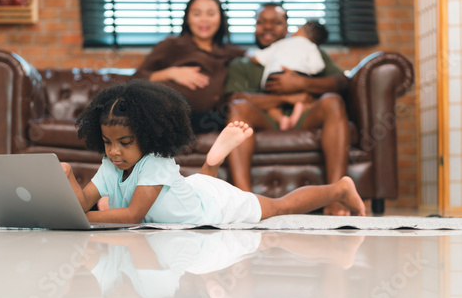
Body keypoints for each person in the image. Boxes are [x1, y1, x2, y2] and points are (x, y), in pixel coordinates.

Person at [61, 79, 366, 225]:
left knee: (279, 207)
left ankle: (340, 188)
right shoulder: (111, 163)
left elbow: (133, 215)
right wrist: (68, 178)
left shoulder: (154, 162)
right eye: (107, 142)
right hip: (187, 192)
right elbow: (82, 203)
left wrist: (82, 219)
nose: (114, 152)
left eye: (124, 142)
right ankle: (212, 164)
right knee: (198, 188)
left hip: (213, 207)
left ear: (149, 135)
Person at [224, 3, 352, 216]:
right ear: (254, 26)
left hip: (307, 116)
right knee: (239, 107)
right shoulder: (243, 63)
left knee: (333, 101)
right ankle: (245, 204)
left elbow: (341, 82)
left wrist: (302, 84)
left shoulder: (307, 50)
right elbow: (234, 98)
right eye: (261, 22)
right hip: (263, 120)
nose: (267, 27)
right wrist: (287, 96)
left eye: (275, 22)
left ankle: (335, 197)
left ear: (287, 28)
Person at [132, 0, 245, 134]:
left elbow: (255, 57)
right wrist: (171, 73)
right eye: (197, 14)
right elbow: (136, 79)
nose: (204, 20)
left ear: (220, 18)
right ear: (187, 18)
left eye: (210, 14)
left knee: (213, 120)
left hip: (206, 117)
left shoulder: (230, 52)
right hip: (164, 110)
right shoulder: (172, 45)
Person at [250, 20, 329, 130]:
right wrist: (305, 71)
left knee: (271, 103)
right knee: (302, 99)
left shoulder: (281, 43)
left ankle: (281, 119)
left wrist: (247, 55)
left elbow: (258, 58)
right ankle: (297, 113)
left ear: (301, 29)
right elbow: (318, 66)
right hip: (298, 76)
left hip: (274, 78)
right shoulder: (311, 47)